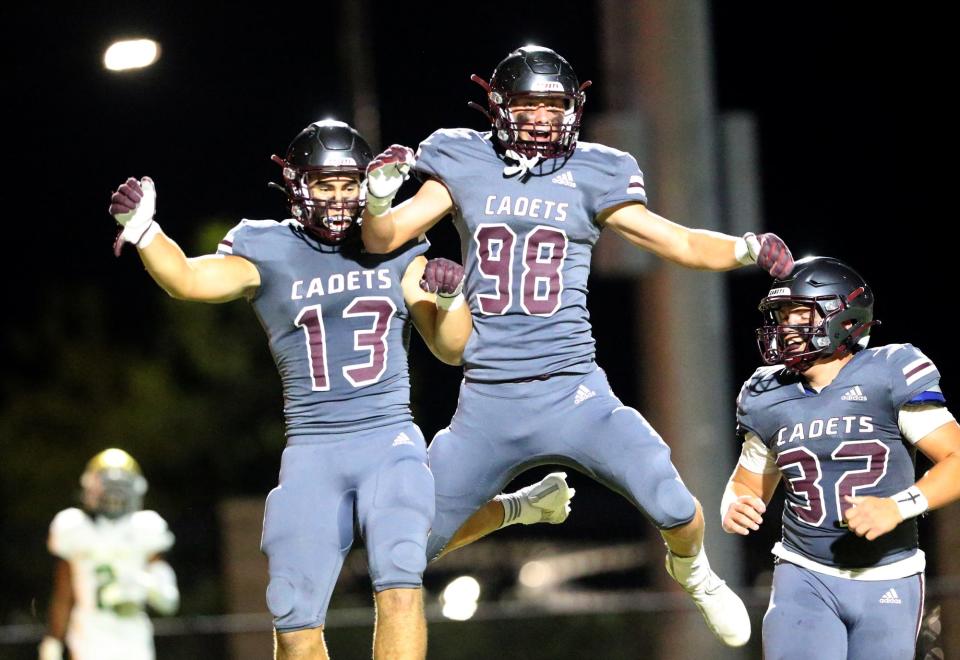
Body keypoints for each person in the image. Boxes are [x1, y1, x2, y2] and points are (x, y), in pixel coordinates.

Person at [359, 45, 796, 647]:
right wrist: (378, 198)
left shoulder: (596, 170)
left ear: (573, 109)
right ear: (498, 106)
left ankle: (692, 571)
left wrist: (744, 249)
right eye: (527, 104)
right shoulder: (461, 157)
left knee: (675, 505)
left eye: (553, 105)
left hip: (573, 390)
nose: (540, 118)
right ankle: (521, 507)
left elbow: (677, 241)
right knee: (399, 546)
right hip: (487, 398)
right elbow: (385, 234)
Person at [107, 119, 573, 660]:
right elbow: (188, 279)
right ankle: (517, 507)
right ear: (296, 186)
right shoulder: (268, 247)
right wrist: (146, 232)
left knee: (400, 572)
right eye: (325, 186)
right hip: (312, 447)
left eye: (348, 185)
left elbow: (451, 348)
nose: (337, 198)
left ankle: (516, 508)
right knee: (294, 620)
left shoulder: (395, 246)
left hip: (386, 438)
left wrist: (449, 302)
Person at [722, 256, 960, 659]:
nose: (786, 327)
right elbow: (747, 484)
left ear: (844, 316)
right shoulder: (766, 394)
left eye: (800, 313)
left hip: (890, 575)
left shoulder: (890, 371)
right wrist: (736, 503)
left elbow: (956, 458)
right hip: (804, 572)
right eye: (781, 316)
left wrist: (898, 506)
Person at [39, 448, 179, 660]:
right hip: (89, 640)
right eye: (109, 488)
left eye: (120, 489)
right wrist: (54, 640)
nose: (114, 497)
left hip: (134, 641)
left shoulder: (145, 528)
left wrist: (142, 584)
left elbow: (169, 600)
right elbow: (64, 592)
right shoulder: (74, 527)